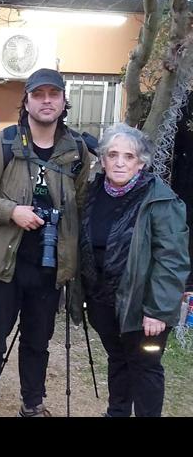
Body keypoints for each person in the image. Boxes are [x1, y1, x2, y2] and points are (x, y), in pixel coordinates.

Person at [0, 68, 92, 417]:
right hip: (6, 262)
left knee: (38, 341)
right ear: (27, 101)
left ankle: (32, 403)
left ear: (64, 101)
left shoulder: (78, 150)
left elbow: (82, 206)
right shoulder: (4, 143)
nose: (46, 101)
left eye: (53, 94)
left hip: (50, 266)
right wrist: (12, 211)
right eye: (39, 94)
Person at [77, 123, 189, 416]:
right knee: (117, 359)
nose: (119, 162)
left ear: (141, 163)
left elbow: (172, 259)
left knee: (145, 366)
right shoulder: (92, 193)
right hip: (104, 301)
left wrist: (157, 310)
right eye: (112, 155)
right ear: (102, 160)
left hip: (144, 308)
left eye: (129, 156)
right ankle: (117, 412)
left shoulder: (159, 200)